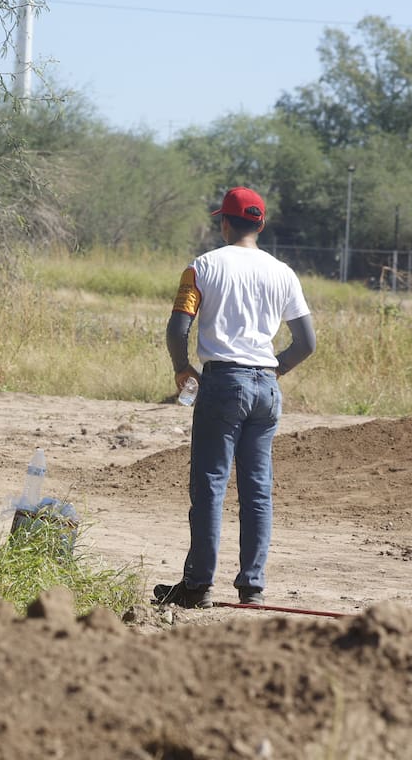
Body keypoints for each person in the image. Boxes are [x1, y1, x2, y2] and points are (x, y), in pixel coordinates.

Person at [154, 186, 316, 608]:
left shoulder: (202, 267)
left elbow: (177, 330)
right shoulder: (283, 272)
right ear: (260, 224)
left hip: (223, 384)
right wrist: (272, 370)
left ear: (224, 223)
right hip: (266, 387)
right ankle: (252, 587)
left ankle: (198, 585)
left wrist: (181, 369)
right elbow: (306, 342)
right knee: (257, 489)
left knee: (210, 485)